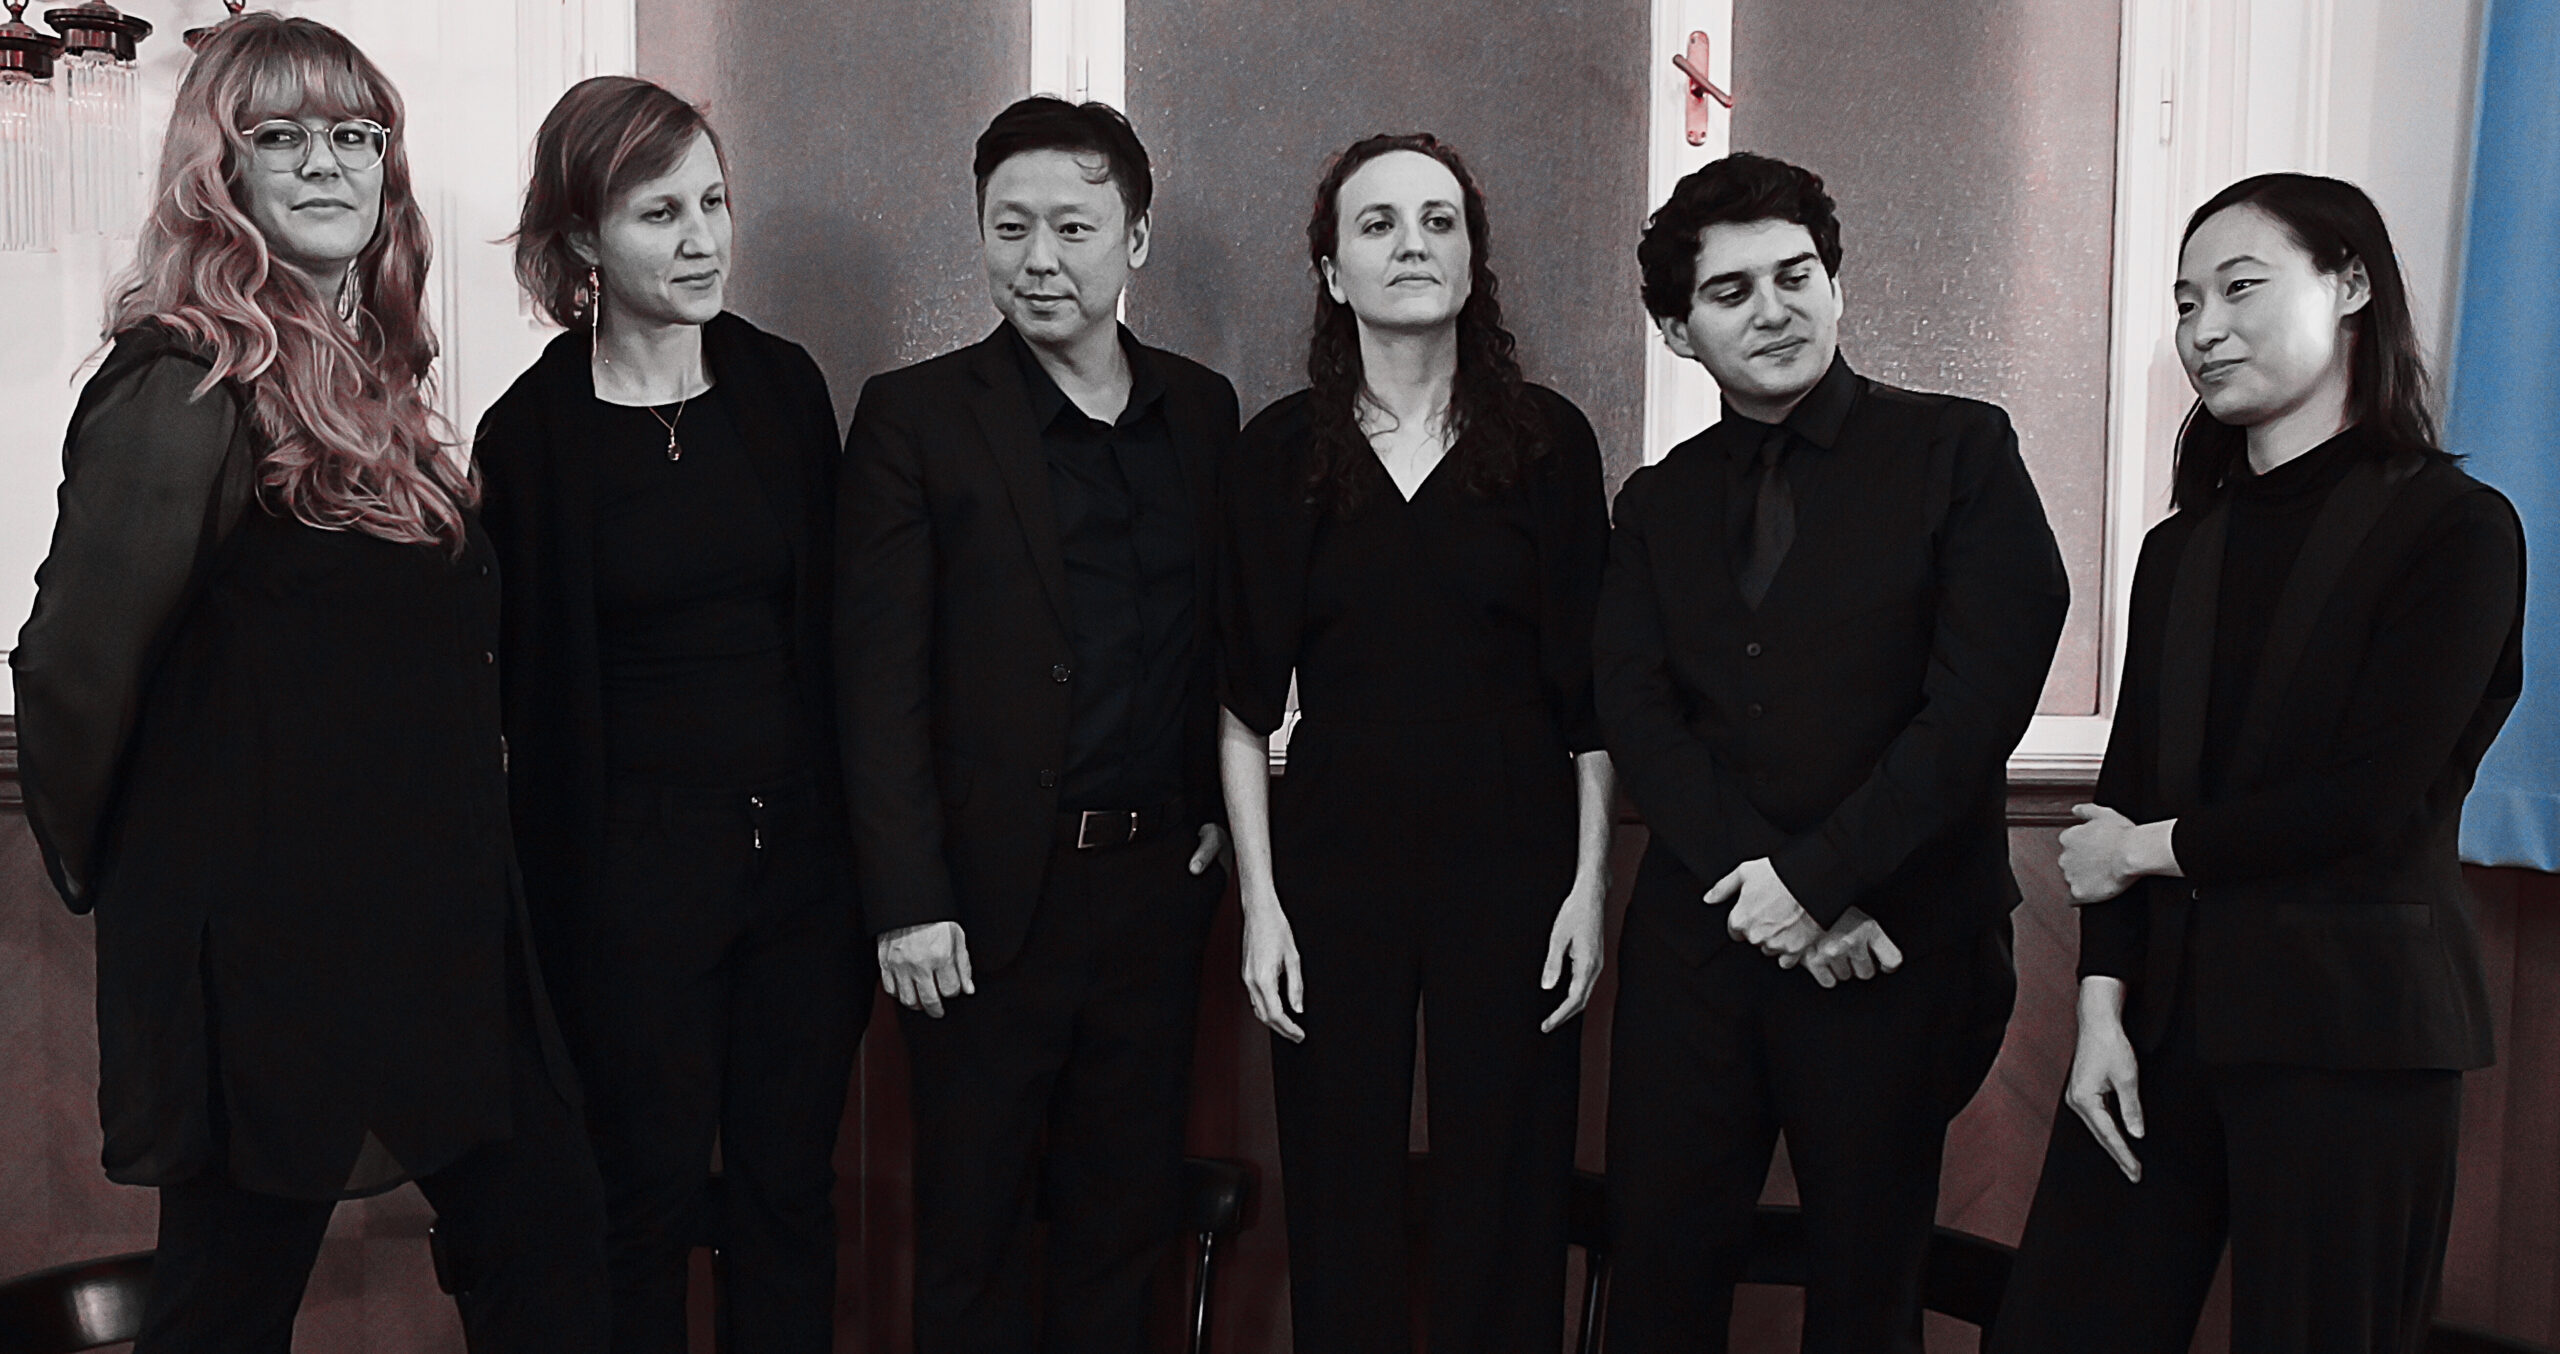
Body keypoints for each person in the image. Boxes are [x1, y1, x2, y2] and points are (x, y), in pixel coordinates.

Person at [9, 14, 607, 1351]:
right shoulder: (183, 383)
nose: (328, 161)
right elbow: (70, 672)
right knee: (227, 1302)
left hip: (437, 926)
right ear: (218, 171)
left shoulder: (377, 383)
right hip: (272, 952)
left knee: (552, 1240)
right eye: (281, 136)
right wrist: (139, 872)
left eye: (355, 133)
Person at [1989, 174, 2525, 1354]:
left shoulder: (2456, 526)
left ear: (2349, 284)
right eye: (2186, 303)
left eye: (2238, 289)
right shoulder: (2179, 549)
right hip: (2158, 1030)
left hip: (2355, 1030)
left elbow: (2371, 801)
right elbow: (2123, 794)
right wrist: (2099, 1009)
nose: (2204, 329)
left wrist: (2151, 850)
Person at [1595, 151, 2068, 1353]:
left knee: (1867, 1291)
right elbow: (1638, 715)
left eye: (1795, 275)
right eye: (1732, 290)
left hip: (1896, 946)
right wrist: (1769, 890)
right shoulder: (1653, 502)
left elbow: (1978, 703)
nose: (1775, 309)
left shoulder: (1961, 450)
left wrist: (1819, 882)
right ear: (1677, 330)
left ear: (1835, 283)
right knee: (1657, 1278)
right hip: (1700, 949)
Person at [835, 95, 1236, 1351]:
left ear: (1136, 239)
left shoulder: (1202, 411)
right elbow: (876, 678)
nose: (1039, 258)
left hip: (1154, 891)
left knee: (1123, 1232)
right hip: (982, 904)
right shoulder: (914, 415)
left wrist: (1216, 809)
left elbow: (1220, 634)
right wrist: (907, 898)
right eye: (1010, 228)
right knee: (973, 1237)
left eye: (1073, 226)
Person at [473, 76, 866, 1354]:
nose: (702, 240)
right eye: (660, 213)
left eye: (713, 203)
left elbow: (837, 639)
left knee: (786, 1197)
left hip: (800, 869)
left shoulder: (782, 386)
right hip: (628, 878)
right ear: (582, 238)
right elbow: (518, 695)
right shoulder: (529, 437)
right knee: (635, 1201)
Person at [1218, 131, 1613, 1354]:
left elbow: (1592, 705)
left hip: (1517, 853)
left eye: (1439, 221)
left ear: (1472, 260)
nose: (1411, 244)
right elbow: (1240, 704)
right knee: (1339, 1179)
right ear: (1331, 270)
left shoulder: (1548, 441)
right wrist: (1261, 906)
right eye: (1378, 223)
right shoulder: (1279, 450)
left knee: (1511, 1176)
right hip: (1333, 853)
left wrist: (1589, 888)